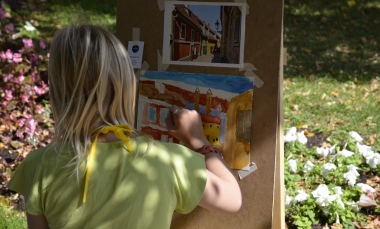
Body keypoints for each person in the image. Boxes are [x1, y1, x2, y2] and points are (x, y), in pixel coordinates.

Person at [7, 24, 242, 229]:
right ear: (129, 86)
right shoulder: (169, 162)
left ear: (57, 94)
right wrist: (197, 141)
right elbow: (231, 199)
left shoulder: (39, 166)